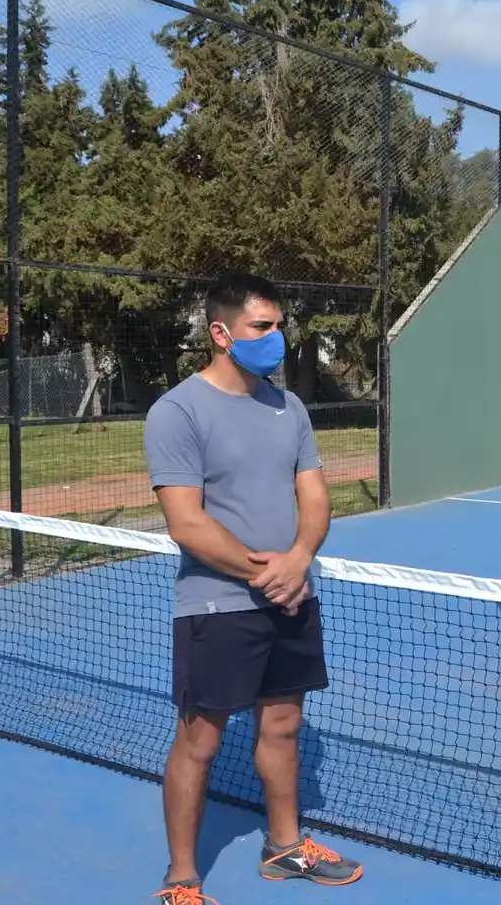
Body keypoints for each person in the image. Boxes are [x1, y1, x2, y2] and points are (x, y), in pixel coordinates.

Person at [143, 272, 362, 904]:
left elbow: (315, 496)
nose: (276, 338)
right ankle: (180, 878)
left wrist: (300, 557)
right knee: (200, 741)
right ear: (221, 332)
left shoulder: (288, 407)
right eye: (261, 327)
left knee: (284, 726)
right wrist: (270, 574)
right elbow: (186, 521)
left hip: (293, 596)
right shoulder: (177, 411)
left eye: (278, 325)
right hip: (218, 605)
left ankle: (285, 847)